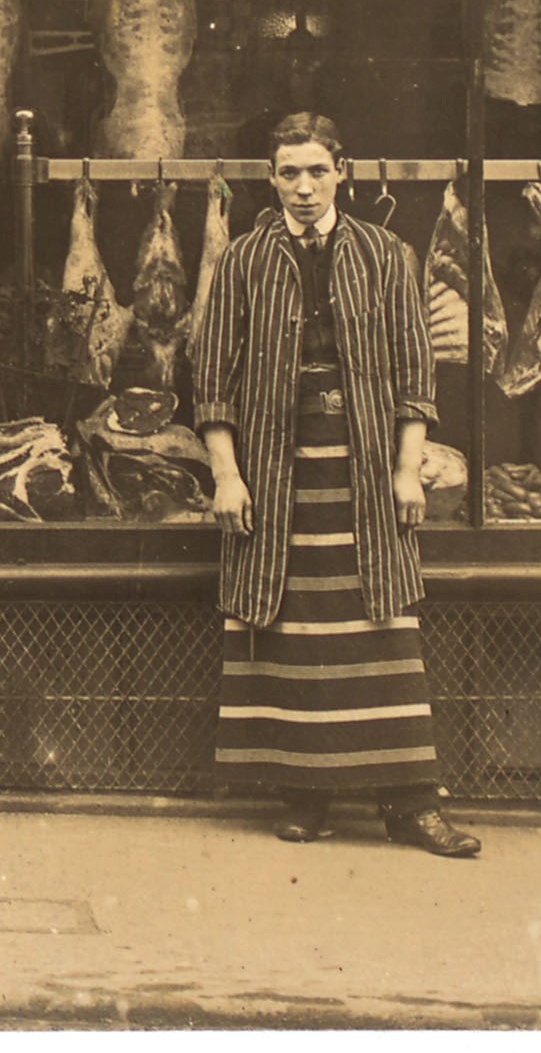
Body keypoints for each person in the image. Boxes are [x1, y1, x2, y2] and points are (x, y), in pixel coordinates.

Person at [191, 112, 479, 858]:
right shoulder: (245, 261)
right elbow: (213, 383)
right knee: (294, 630)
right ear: (270, 178)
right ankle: (307, 795)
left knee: (381, 628)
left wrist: (407, 467)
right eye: (289, 172)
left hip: (367, 463)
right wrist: (227, 475)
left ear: (342, 173)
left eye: (318, 171)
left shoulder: (386, 254)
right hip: (276, 468)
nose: (305, 187)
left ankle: (411, 806)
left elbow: (417, 374)